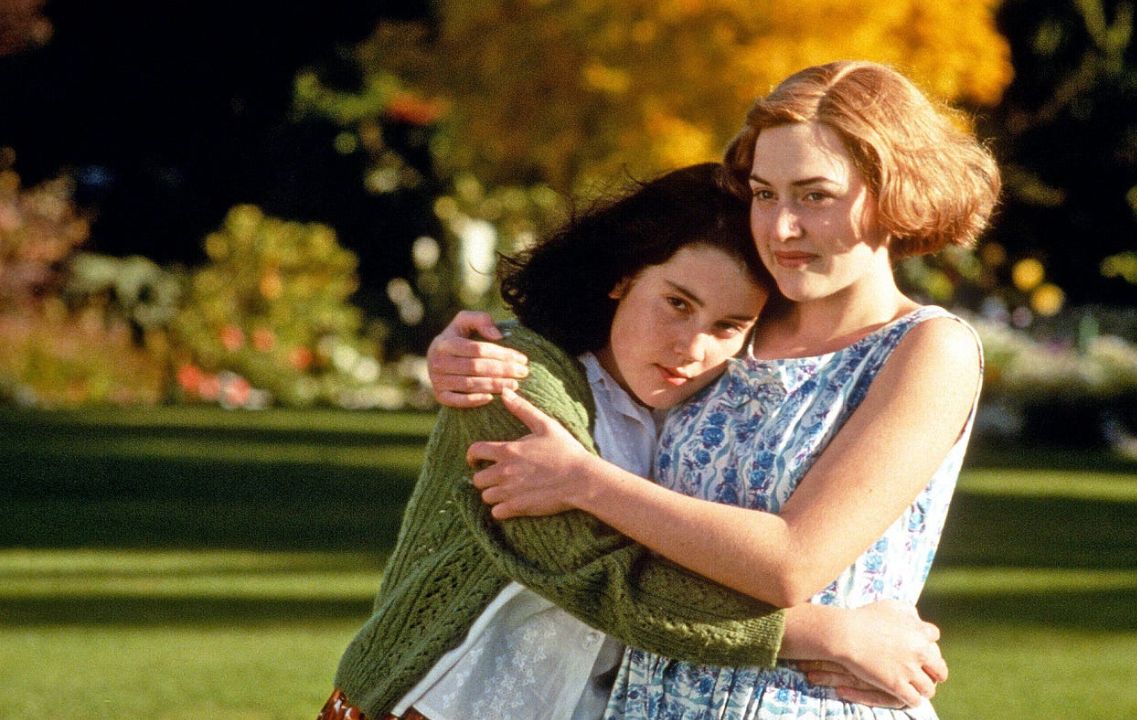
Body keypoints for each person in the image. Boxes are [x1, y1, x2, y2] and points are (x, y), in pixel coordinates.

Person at [428, 60, 999, 719]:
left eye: (815, 195)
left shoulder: (928, 349)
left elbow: (790, 562)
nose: (780, 228)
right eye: (764, 194)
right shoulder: (737, 322)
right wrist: (471, 347)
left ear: (893, 188)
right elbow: (608, 337)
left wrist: (582, 481)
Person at [320, 162, 948, 720]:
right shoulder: (513, 377)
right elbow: (604, 577)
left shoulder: (704, 410)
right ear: (622, 277)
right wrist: (832, 637)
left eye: (728, 325)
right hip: (428, 701)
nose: (692, 348)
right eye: (677, 303)